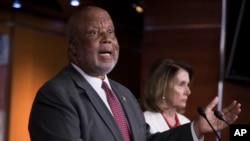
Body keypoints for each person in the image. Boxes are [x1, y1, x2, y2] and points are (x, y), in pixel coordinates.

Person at [28, 6, 241, 141]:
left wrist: (196, 128)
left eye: (110, 31)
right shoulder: (56, 96)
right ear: (73, 48)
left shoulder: (124, 95)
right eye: (94, 32)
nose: (107, 38)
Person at [141, 58, 194, 133]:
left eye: (188, 85)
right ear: (163, 87)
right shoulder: (145, 121)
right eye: (181, 84)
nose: (188, 92)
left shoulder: (186, 122)